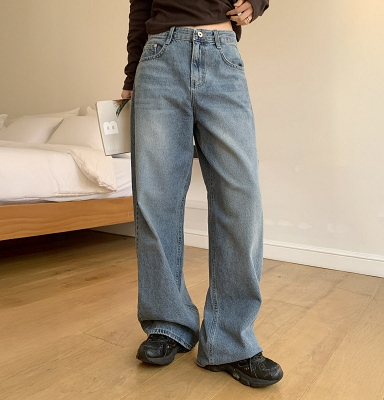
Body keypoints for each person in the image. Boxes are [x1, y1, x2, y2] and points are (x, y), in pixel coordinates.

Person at [121, 0, 283, 388]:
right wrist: (130, 77)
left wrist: (257, 3)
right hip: (158, 59)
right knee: (155, 199)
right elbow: (140, 7)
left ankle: (230, 340)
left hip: (221, 55)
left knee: (240, 199)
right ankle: (167, 323)